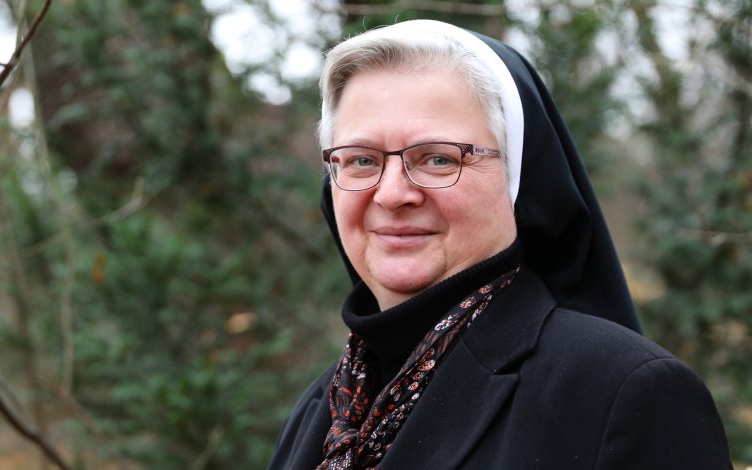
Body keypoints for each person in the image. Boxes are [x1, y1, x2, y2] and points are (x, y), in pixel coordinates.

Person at [268, 20, 732, 469]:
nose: (392, 194)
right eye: (362, 160)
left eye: (438, 158)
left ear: (517, 179)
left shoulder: (624, 394)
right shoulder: (324, 405)